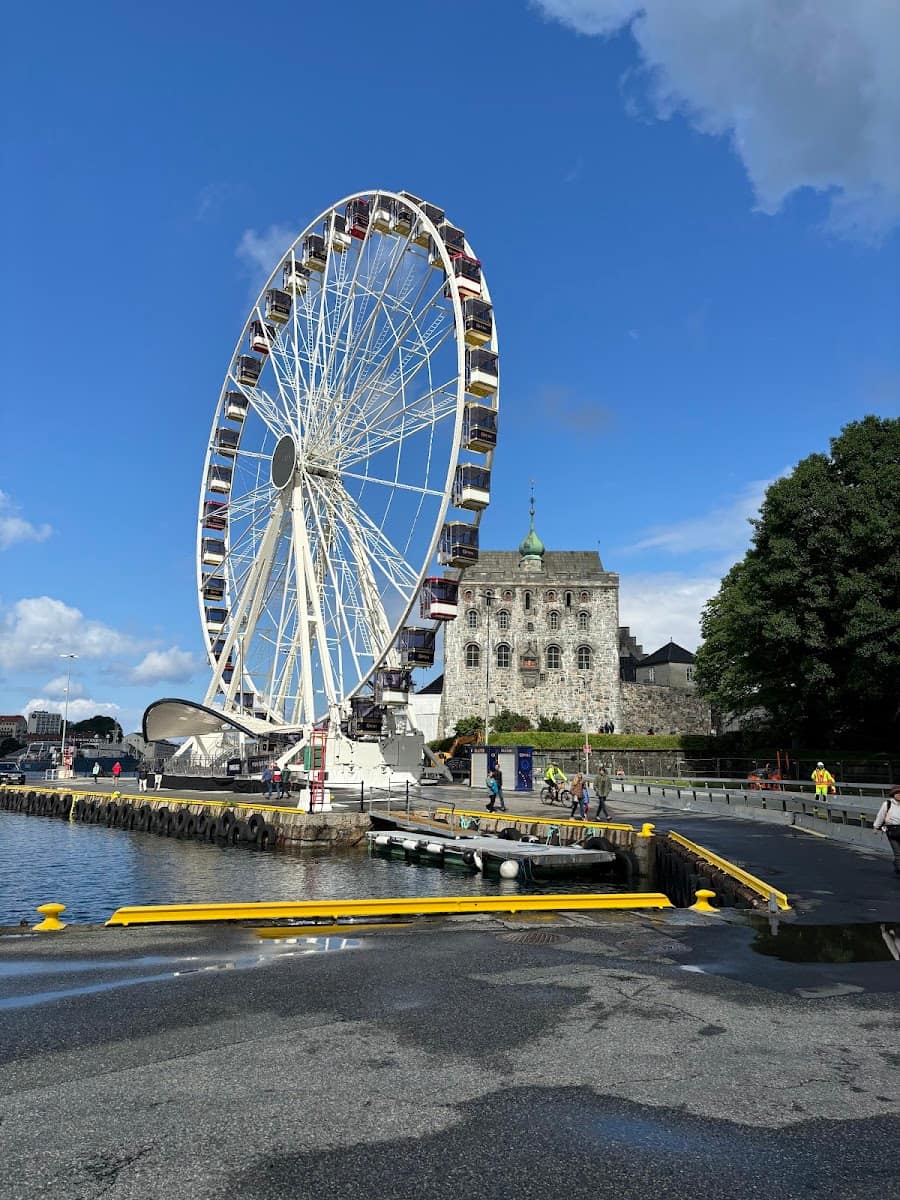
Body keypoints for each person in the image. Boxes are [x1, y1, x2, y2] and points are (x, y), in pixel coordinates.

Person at [873, 785, 900, 875]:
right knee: (897, 853)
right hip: (892, 831)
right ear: (893, 794)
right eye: (897, 793)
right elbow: (881, 816)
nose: (899, 795)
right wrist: (876, 827)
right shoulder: (887, 804)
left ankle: (897, 865)